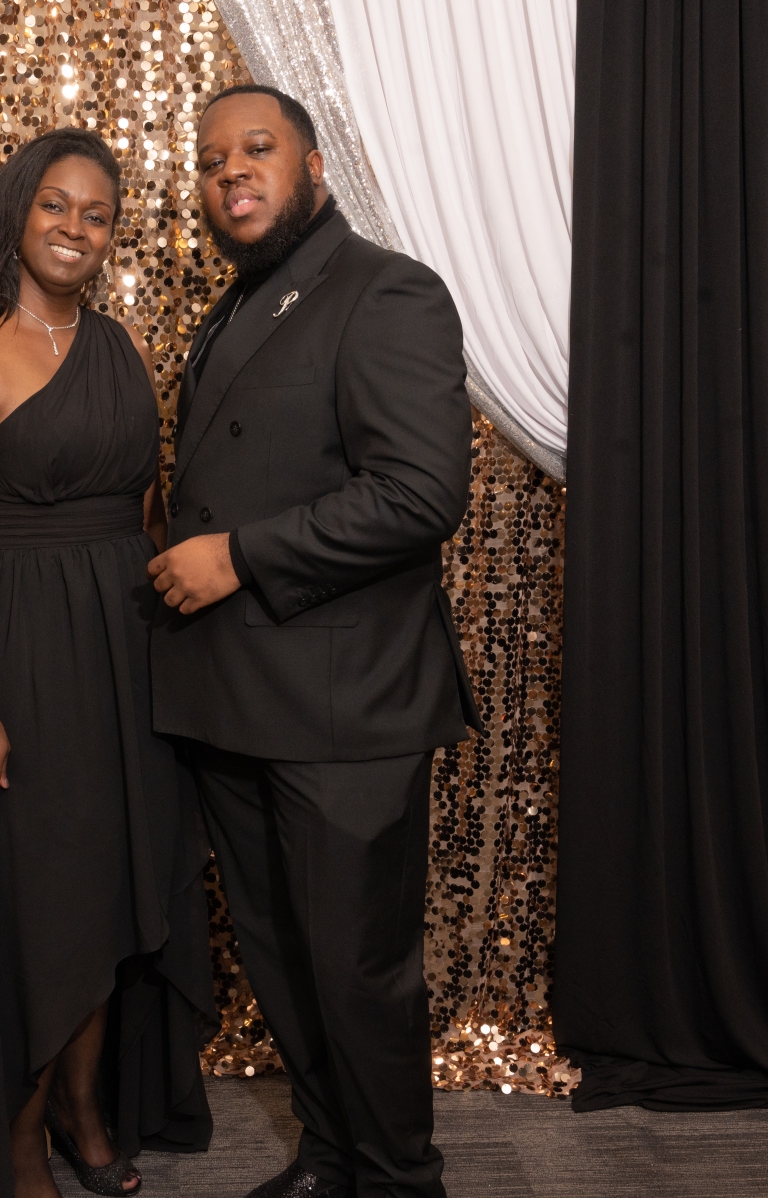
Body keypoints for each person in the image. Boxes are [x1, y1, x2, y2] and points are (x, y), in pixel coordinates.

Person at [0, 128, 216, 1198]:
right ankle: (16, 1132)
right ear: (17, 212)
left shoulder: (122, 345)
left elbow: (149, 514)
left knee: (108, 887)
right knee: (37, 898)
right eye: (55, 205)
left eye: (97, 213)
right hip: (16, 649)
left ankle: (81, 1103)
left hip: (126, 654)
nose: (75, 227)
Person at [146, 86, 479, 1198]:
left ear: (314, 164)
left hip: (344, 702)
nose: (230, 172)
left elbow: (420, 493)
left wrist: (239, 556)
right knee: (284, 959)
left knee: (357, 969)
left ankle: (399, 1180)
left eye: (257, 149)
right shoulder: (243, 302)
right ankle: (335, 1158)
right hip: (236, 691)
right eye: (210, 161)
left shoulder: (386, 290)